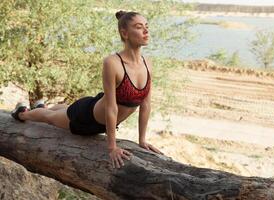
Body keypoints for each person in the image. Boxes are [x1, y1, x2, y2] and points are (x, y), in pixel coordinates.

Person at [11, 10, 163, 169]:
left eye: (146, 26)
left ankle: (40, 106)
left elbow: (145, 105)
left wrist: (142, 140)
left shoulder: (148, 63)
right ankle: (22, 113)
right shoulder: (113, 63)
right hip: (87, 118)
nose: (146, 31)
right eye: (139, 27)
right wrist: (112, 147)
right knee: (50, 117)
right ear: (125, 33)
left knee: (60, 112)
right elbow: (111, 108)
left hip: (98, 111)